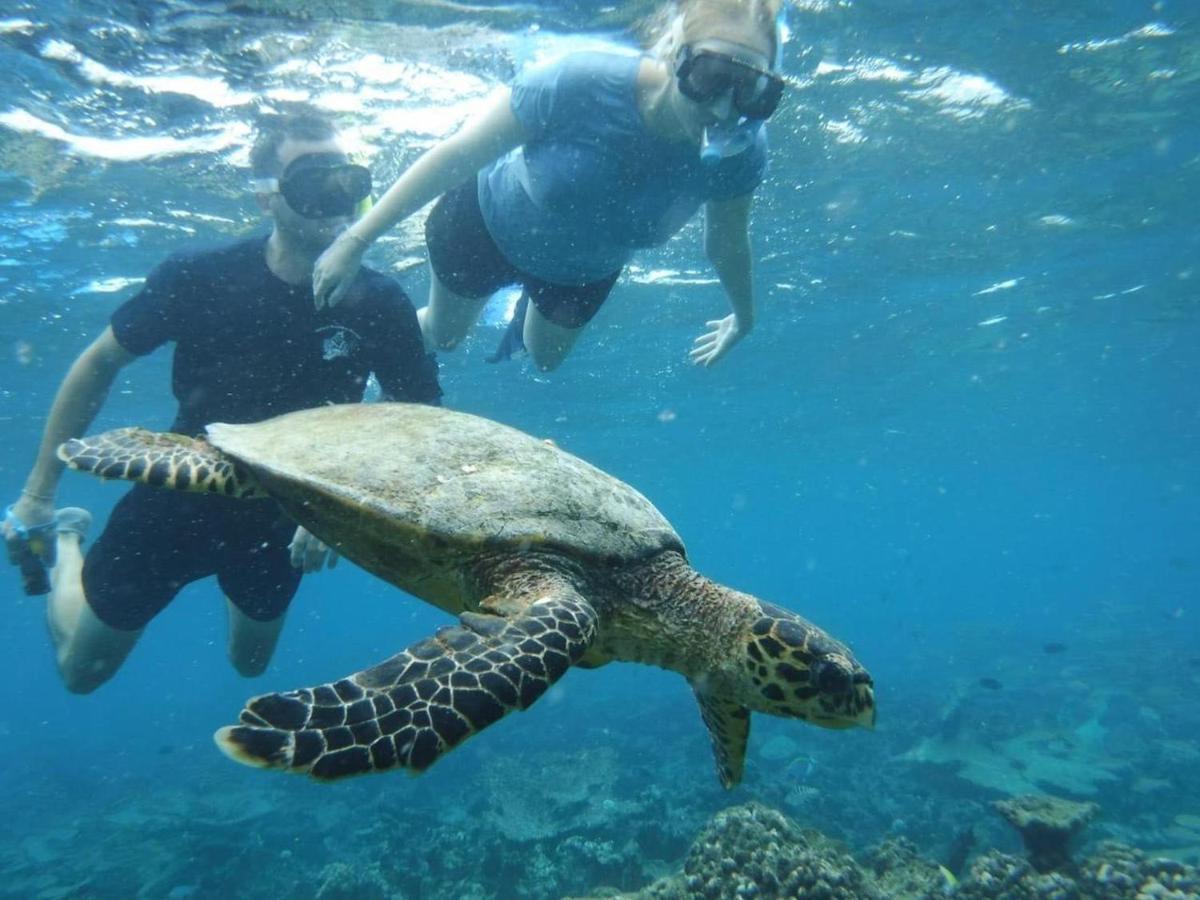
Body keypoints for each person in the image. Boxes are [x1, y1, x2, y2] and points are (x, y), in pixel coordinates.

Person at [2, 108, 442, 693]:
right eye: (313, 182)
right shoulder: (200, 276)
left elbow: (419, 415)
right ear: (267, 199)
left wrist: (347, 504)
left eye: (350, 181)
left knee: (250, 664)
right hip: (175, 497)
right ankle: (66, 540)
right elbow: (99, 362)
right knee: (82, 673)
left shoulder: (382, 302)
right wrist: (39, 494)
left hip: (284, 512)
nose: (336, 200)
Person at [311, 0, 786, 372]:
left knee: (545, 362)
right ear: (673, 55)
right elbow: (458, 154)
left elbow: (726, 243)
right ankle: (362, 350)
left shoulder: (740, 151)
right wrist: (355, 240)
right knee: (445, 336)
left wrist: (745, 319)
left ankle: (520, 309)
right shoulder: (577, 82)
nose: (724, 109)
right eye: (710, 76)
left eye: (751, 90)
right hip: (485, 226)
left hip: (580, 270)